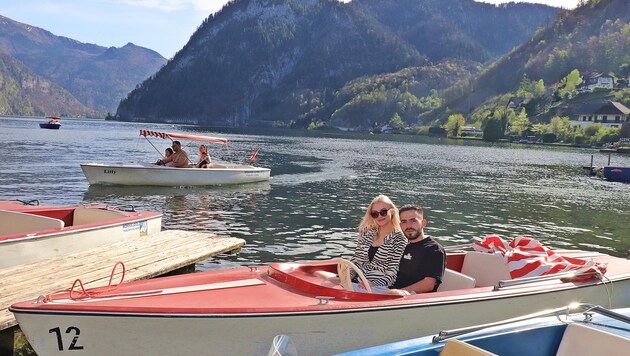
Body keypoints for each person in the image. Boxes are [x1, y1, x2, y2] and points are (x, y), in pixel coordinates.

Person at [348, 194, 407, 293]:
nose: (379, 216)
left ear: (392, 211)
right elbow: (357, 261)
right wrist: (348, 276)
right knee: (323, 279)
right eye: (375, 214)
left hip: (380, 287)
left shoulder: (399, 238)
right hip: (357, 282)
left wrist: (373, 284)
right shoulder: (367, 233)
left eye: (383, 212)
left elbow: (392, 273)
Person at [388, 204, 445, 296]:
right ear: (400, 225)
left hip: (414, 299)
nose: (408, 226)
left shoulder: (434, 249)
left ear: (423, 223)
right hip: (390, 290)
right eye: (404, 222)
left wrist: (400, 291)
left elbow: (429, 284)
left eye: (413, 220)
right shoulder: (401, 245)